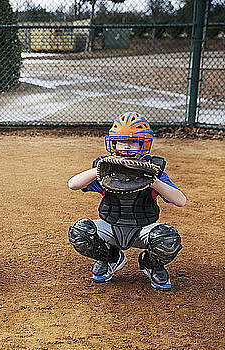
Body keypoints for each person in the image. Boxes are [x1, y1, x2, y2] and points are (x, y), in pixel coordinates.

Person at [67, 112, 187, 291]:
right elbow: (73, 184)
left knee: (168, 239)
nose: (126, 147)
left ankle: (151, 264)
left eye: (133, 142)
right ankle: (111, 258)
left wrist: (153, 180)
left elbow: (180, 200)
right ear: (113, 143)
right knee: (80, 233)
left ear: (144, 144)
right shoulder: (106, 170)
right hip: (111, 226)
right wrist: (100, 168)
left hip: (143, 229)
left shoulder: (153, 170)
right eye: (121, 141)